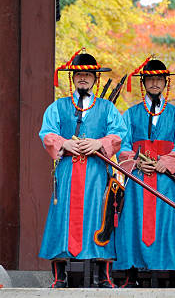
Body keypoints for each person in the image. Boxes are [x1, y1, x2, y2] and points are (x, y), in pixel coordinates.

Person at [39, 49, 126, 288]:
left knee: (99, 215)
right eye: (79, 74)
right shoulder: (58, 106)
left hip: (97, 172)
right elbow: (46, 132)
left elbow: (119, 134)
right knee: (62, 216)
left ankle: (103, 276)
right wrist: (63, 142)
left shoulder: (107, 108)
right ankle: (60, 276)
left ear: (95, 78)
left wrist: (99, 143)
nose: (83, 78)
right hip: (67, 170)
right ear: (73, 78)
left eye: (88, 74)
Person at [114, 57, 175, 286]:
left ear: (165, 83)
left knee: (171, 220)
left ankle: (171, 273)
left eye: (160, 79)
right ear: (144, 83)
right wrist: (136, 162)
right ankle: (130, 273)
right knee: (133, 219)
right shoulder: (129, 114)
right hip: (138, 176)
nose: (155, 83)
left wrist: (165, 162)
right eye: (151, 79)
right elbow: (122, 144)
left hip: (167, 178)